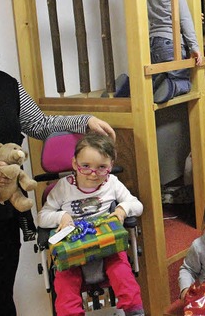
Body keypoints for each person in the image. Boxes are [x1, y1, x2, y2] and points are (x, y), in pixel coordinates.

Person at [0, 12, 115, 315]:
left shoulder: (5, 84)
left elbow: (40, 124)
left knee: (4, 302)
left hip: (2, 219)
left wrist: (85, 120)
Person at [38, 133, 144, 316]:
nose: (93, 174)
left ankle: (135, 312)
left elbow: (138, 206)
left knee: (122, 273)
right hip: (74, 248)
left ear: (110, 166)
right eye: (85, 166)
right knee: (65, 283)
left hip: (107, 245)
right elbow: (41, 217)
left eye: (102, 167)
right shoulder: (63, 187)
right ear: (74, 164)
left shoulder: (112, 183)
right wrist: (61, 217)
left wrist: (122, 210)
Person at [144, 0, 203, 103]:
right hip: (172, 43)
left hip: (154, 44)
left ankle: (127, 86)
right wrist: (195, 47)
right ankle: (171, 86)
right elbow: (184, 19)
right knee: (184, 81)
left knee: (160, 75)